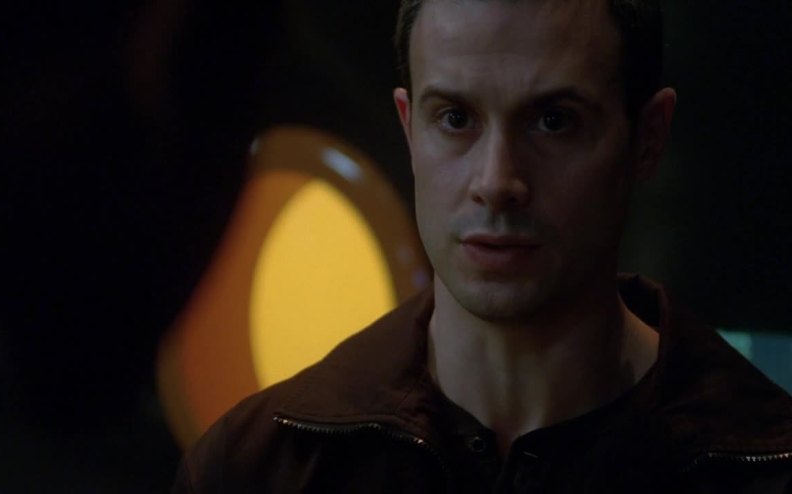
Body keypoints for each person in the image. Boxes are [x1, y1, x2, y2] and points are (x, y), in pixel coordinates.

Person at [172, 0, 792, 492]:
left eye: (554, 120)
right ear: (409, 128)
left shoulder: (763, 464)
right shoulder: (259, 468)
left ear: (648, 138)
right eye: (456, 118)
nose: (497, 182)